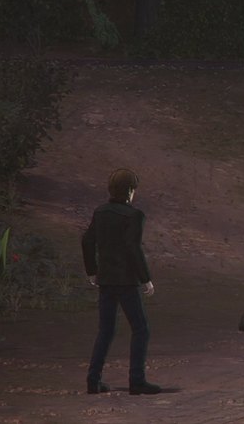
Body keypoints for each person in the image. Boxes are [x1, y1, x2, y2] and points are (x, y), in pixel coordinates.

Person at [82, 169, 161, 395]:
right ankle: (136, 380)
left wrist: (92, 271)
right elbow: (132, 248)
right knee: (141, 329)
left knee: (105, 330)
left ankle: (92, 380)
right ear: (130, 191)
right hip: (126, 281)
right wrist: (146, 279)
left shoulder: (100, 212)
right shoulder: (134, 216)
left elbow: (87, 241)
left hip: (106, 280)